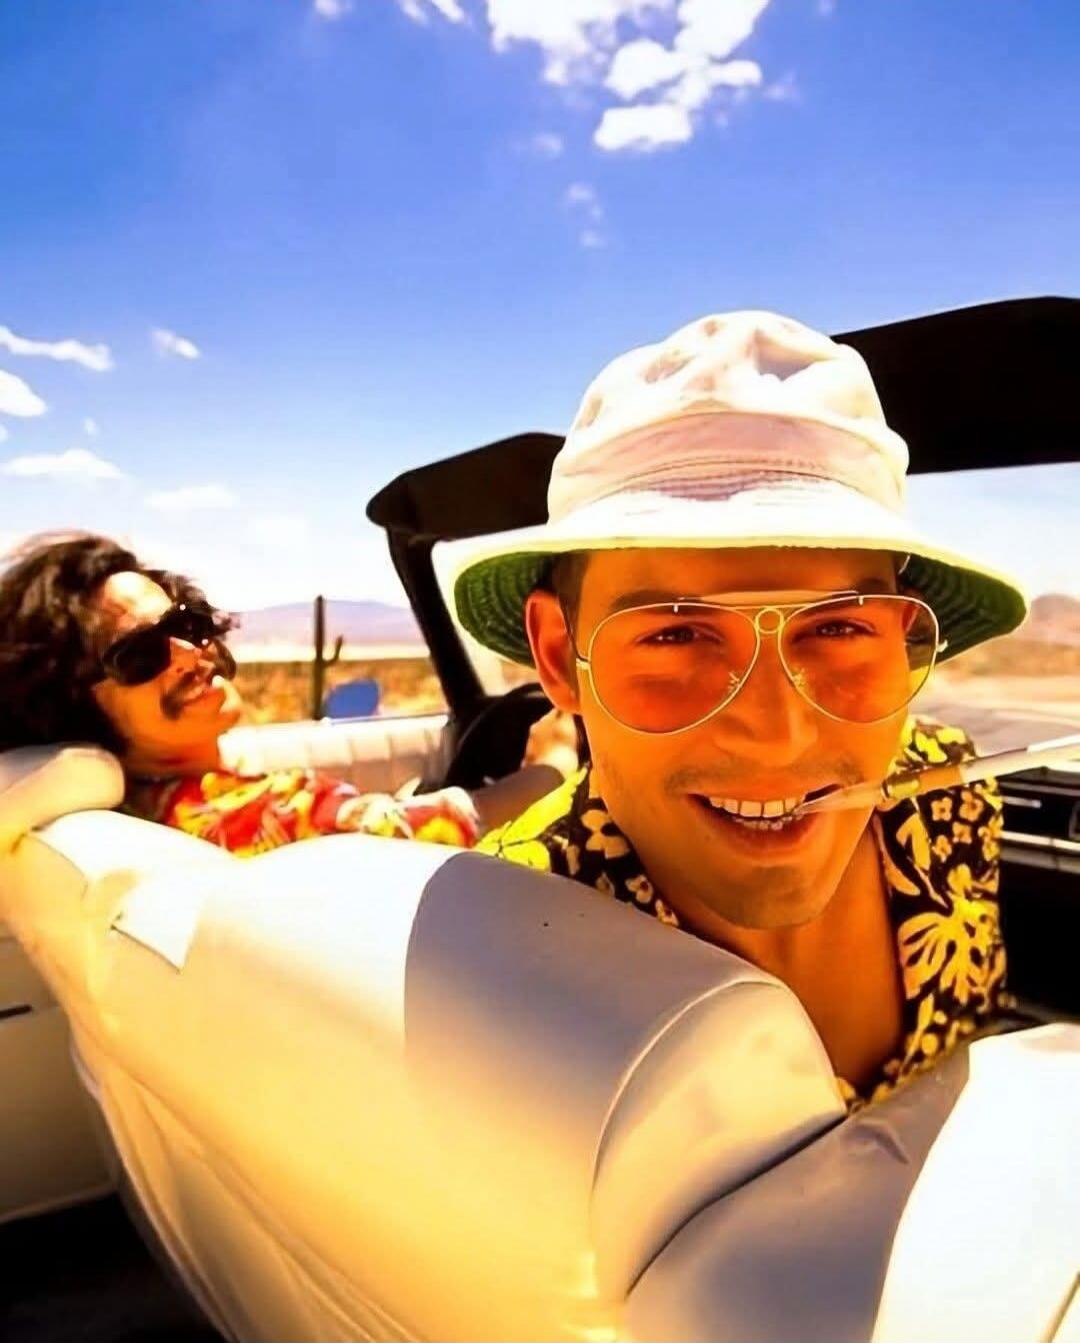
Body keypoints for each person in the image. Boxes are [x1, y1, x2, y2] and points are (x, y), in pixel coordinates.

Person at [455, 309, 1026, 1108]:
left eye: (836, 625)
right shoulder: (500, 953)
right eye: (678, 634)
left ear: (901, 637)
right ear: (559, 657)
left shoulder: (949, 793)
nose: (777, 730)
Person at [0, 534, 570, 855]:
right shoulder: (251, 817)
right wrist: (557, 760)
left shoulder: (145, 813)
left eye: (189, 624)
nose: (188, 653)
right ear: (72, 702)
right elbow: (439, 828)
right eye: (141, 654)